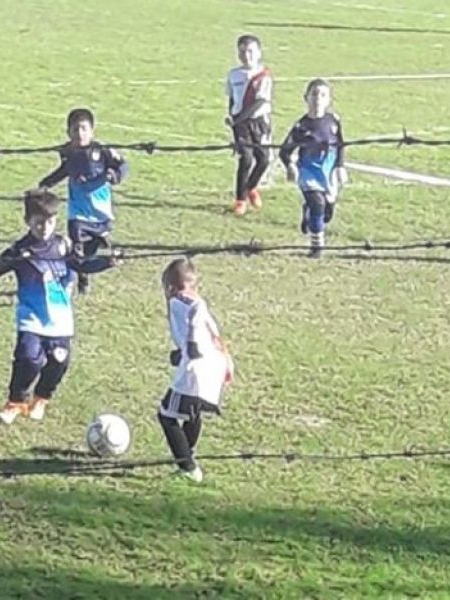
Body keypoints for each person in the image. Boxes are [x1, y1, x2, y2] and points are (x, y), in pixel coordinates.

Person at [0, 190, 117, 424]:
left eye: (50, 222)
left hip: (60, 319)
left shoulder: (63, 245)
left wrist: (107, 262)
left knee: (59, 362)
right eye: (38, 223)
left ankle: (40, 399)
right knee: (29, 359)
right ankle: (15, 402)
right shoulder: (20, 251)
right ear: (27, 221)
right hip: (31, 317)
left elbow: (82, 265)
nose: (44, 227)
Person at [156, 258, 233, 483]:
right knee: (193, 413)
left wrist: (190, 345)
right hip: (214, 366)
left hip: (196, 369)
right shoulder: (197, 300)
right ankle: (187, 459)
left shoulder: (181, 300)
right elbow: (213, 335)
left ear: (170, 286)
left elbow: (196, 313)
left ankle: (188, 466)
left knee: (166, 415)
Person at [38, 108, 128, 294]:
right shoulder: (68, 152)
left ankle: (98, 265)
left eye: (84, 129)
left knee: (93, 251)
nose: (79, 134)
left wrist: (115, 175)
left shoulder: (102, 151)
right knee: (76, 252)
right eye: (75, 130)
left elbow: (123, 165)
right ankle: (78, 279)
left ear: (92, 131)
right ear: (68, 132)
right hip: (77, 214)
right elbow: (64, 170)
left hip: (100, 214)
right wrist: (46, 184)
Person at [279, 78, 348, 258]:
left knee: (327, 211)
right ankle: (317, 246)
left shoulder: (333, 122)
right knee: (317, 203)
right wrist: (290, 166)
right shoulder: (301, 126)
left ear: (329, 100)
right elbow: (284, 151)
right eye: (314, 94)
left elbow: (341, 145)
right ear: (306, 98)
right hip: (308, 172)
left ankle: (308, 213)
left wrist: (340, 167)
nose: (318, 98)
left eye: (323, 95)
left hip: (328, 171)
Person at [225, 34, 273, 216]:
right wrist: (232, 118)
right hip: (240, 123)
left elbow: (259, 102)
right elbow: (232, 98)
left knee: (264, 159)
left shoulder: (264, 76)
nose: (247, 55)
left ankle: (251, 187)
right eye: (243, 51)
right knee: (245, 158)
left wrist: (238, 118)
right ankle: (240, 199)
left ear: (259, 53)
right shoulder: (233, 75)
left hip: (259, 121)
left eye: (251, 51)